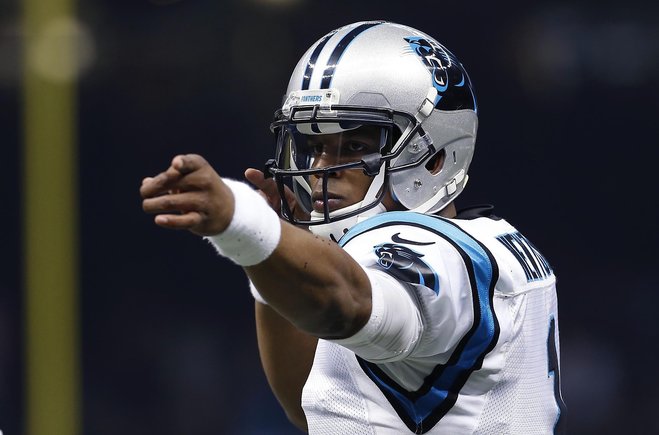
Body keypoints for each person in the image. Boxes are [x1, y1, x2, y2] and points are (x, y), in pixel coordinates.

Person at [141, 21, 566, 434]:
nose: (324, 169)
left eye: (356, 146)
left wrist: (243, 224)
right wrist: (279, 251)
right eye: (316, 147)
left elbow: (344, 302)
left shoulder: (434, 250)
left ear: (435, 157)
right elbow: (312, 404)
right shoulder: (496, 245)